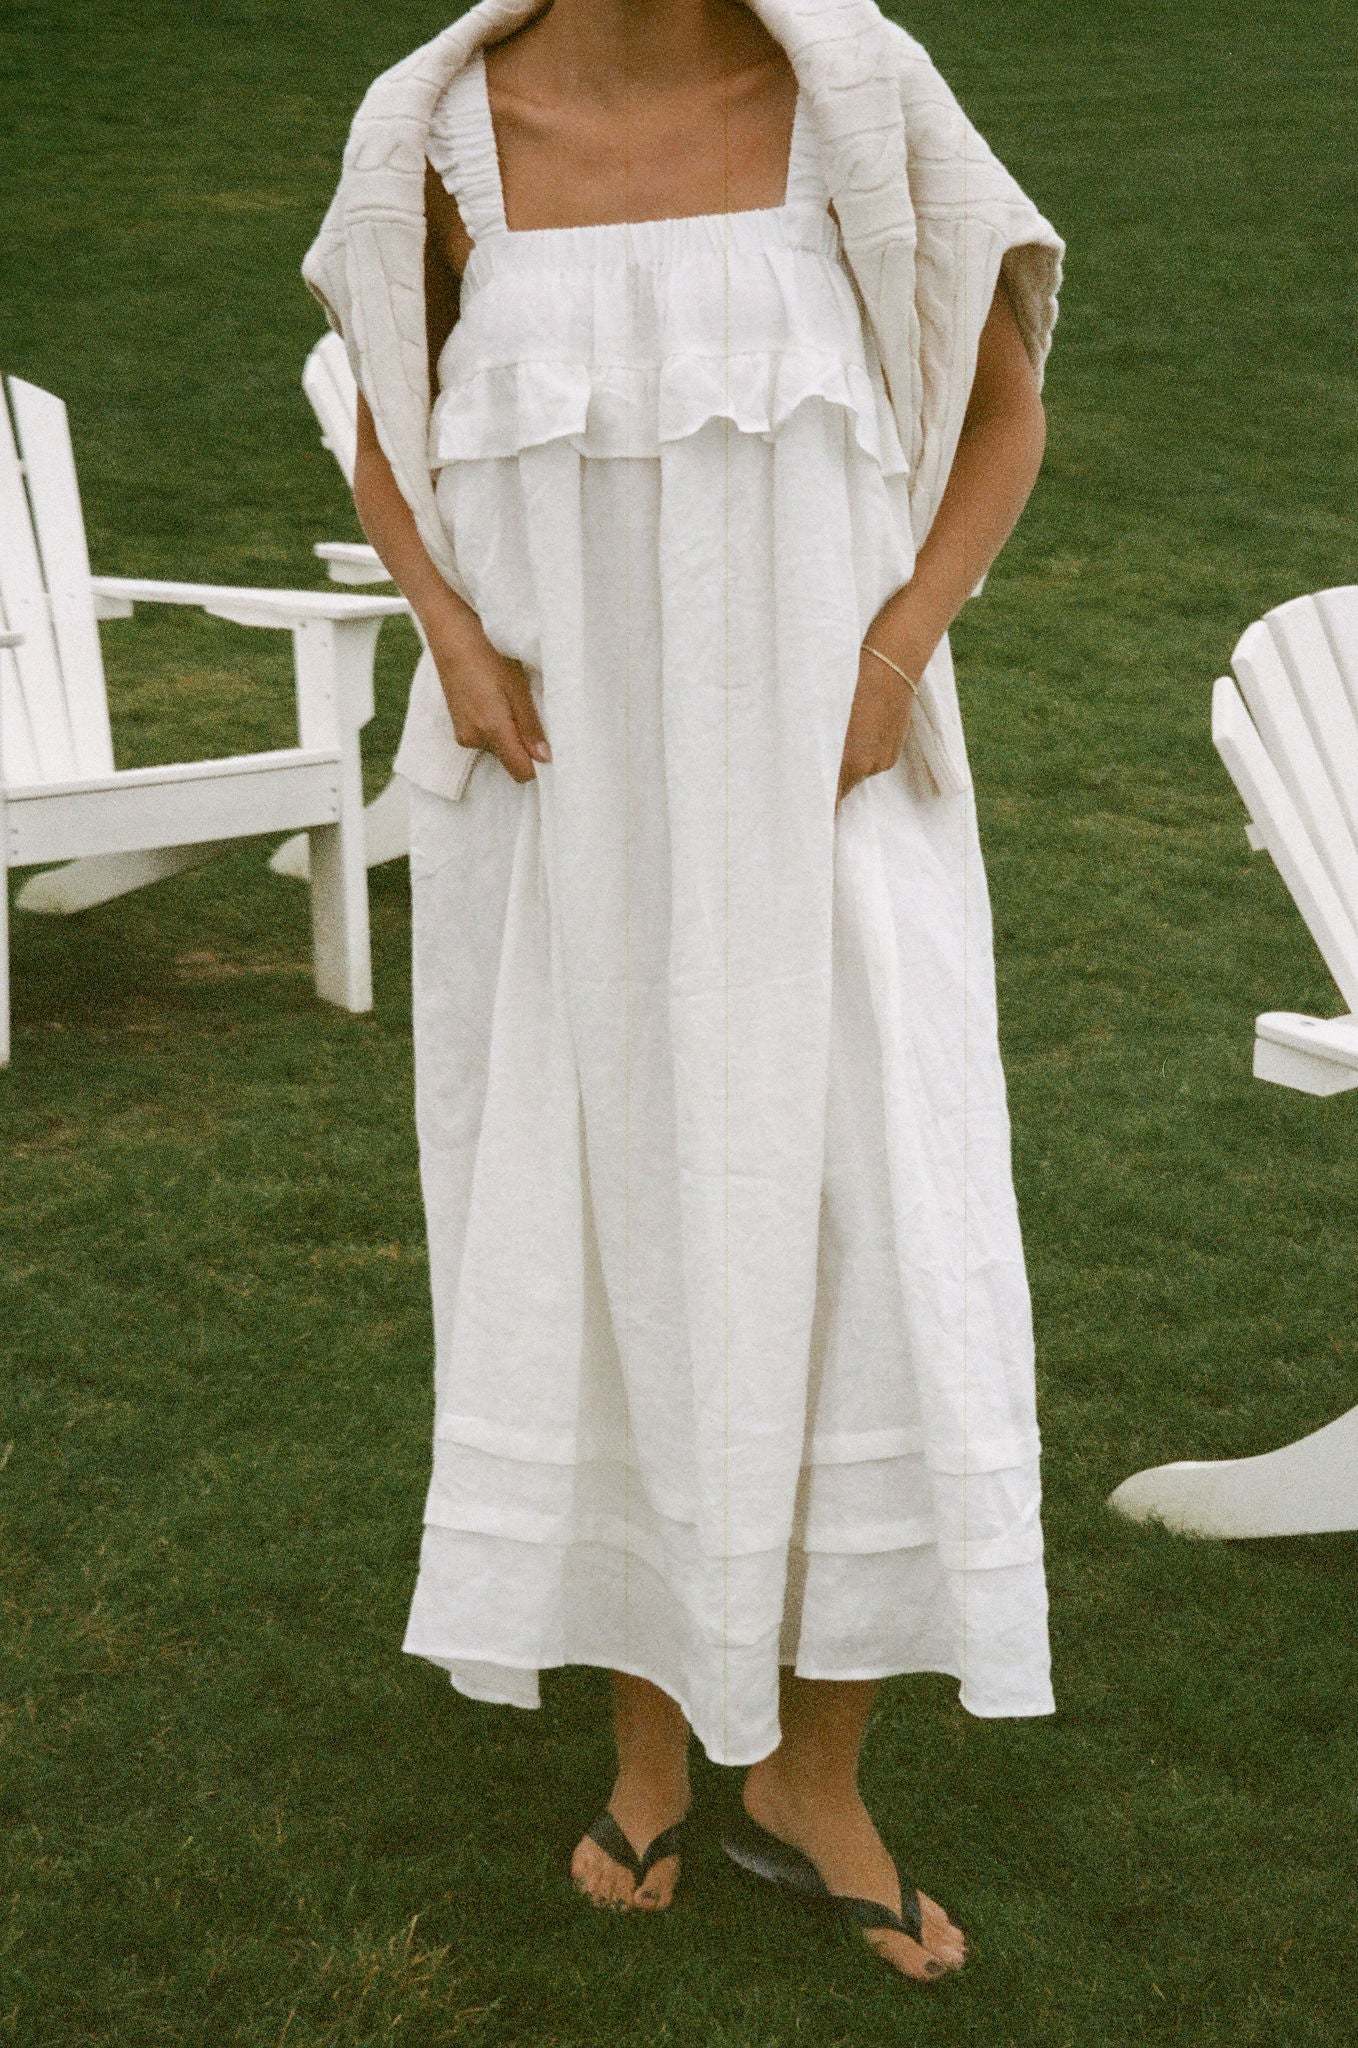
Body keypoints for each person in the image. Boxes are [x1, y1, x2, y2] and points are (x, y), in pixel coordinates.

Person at [316, 0, 1063, 1986]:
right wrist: (449, 634)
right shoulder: (432, 134)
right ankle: (650, 1749)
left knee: (864, 1237)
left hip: (825, 795)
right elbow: (386, 417)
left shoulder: (858, 92)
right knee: (609, 1235)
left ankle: (814, 1776)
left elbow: (1000, 419)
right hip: (568, 813)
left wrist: (893, 659)